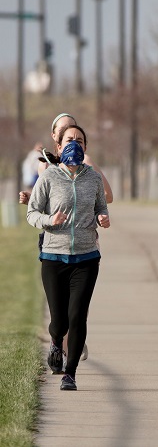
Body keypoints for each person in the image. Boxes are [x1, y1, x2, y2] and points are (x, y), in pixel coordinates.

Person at [19, 113, 113, 362]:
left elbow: (106, 197)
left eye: (77, 135)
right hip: (53, 239)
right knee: (59, 307)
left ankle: (71, 345)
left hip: (84, 240)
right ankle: (58, 339)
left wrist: (96, 207)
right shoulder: (45, 164)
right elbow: (43, 198)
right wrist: (31, 198)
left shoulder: (88, 164)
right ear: (55, 138)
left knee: (77, 305)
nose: (72, 138)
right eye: (64, 131)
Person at [19, 113, 113, 205]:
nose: (67, 131)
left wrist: (82, 205)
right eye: (62, 129)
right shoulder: (45, 166)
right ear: (54, 135)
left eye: (71, 127)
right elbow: (46, 202)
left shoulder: (86, 161)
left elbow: (108, 196)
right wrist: (31, 199)